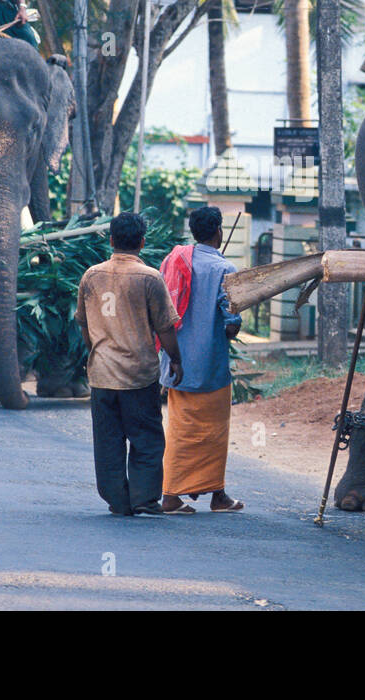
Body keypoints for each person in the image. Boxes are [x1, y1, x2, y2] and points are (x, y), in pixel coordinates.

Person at [75, 212, 183, 516]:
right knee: (146, 435)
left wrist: (95, 352)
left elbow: (84, 325)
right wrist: (175, 358)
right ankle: (144, 498)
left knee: (108, 440)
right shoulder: (150, 277)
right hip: (139, 373)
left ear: (111, 241)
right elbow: (165, 327)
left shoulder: (90, 276)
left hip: (102, 373)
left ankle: (117, 500)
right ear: (142, 242)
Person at [158, 207, 245, 514]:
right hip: (210, 366)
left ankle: (200, 493)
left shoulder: (172, 260)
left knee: (181, 429)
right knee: (214, 433)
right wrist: (233, 324)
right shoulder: (225, 268)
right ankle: (180, 496)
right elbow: (231, 322)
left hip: (176, 362)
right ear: (218, 231)